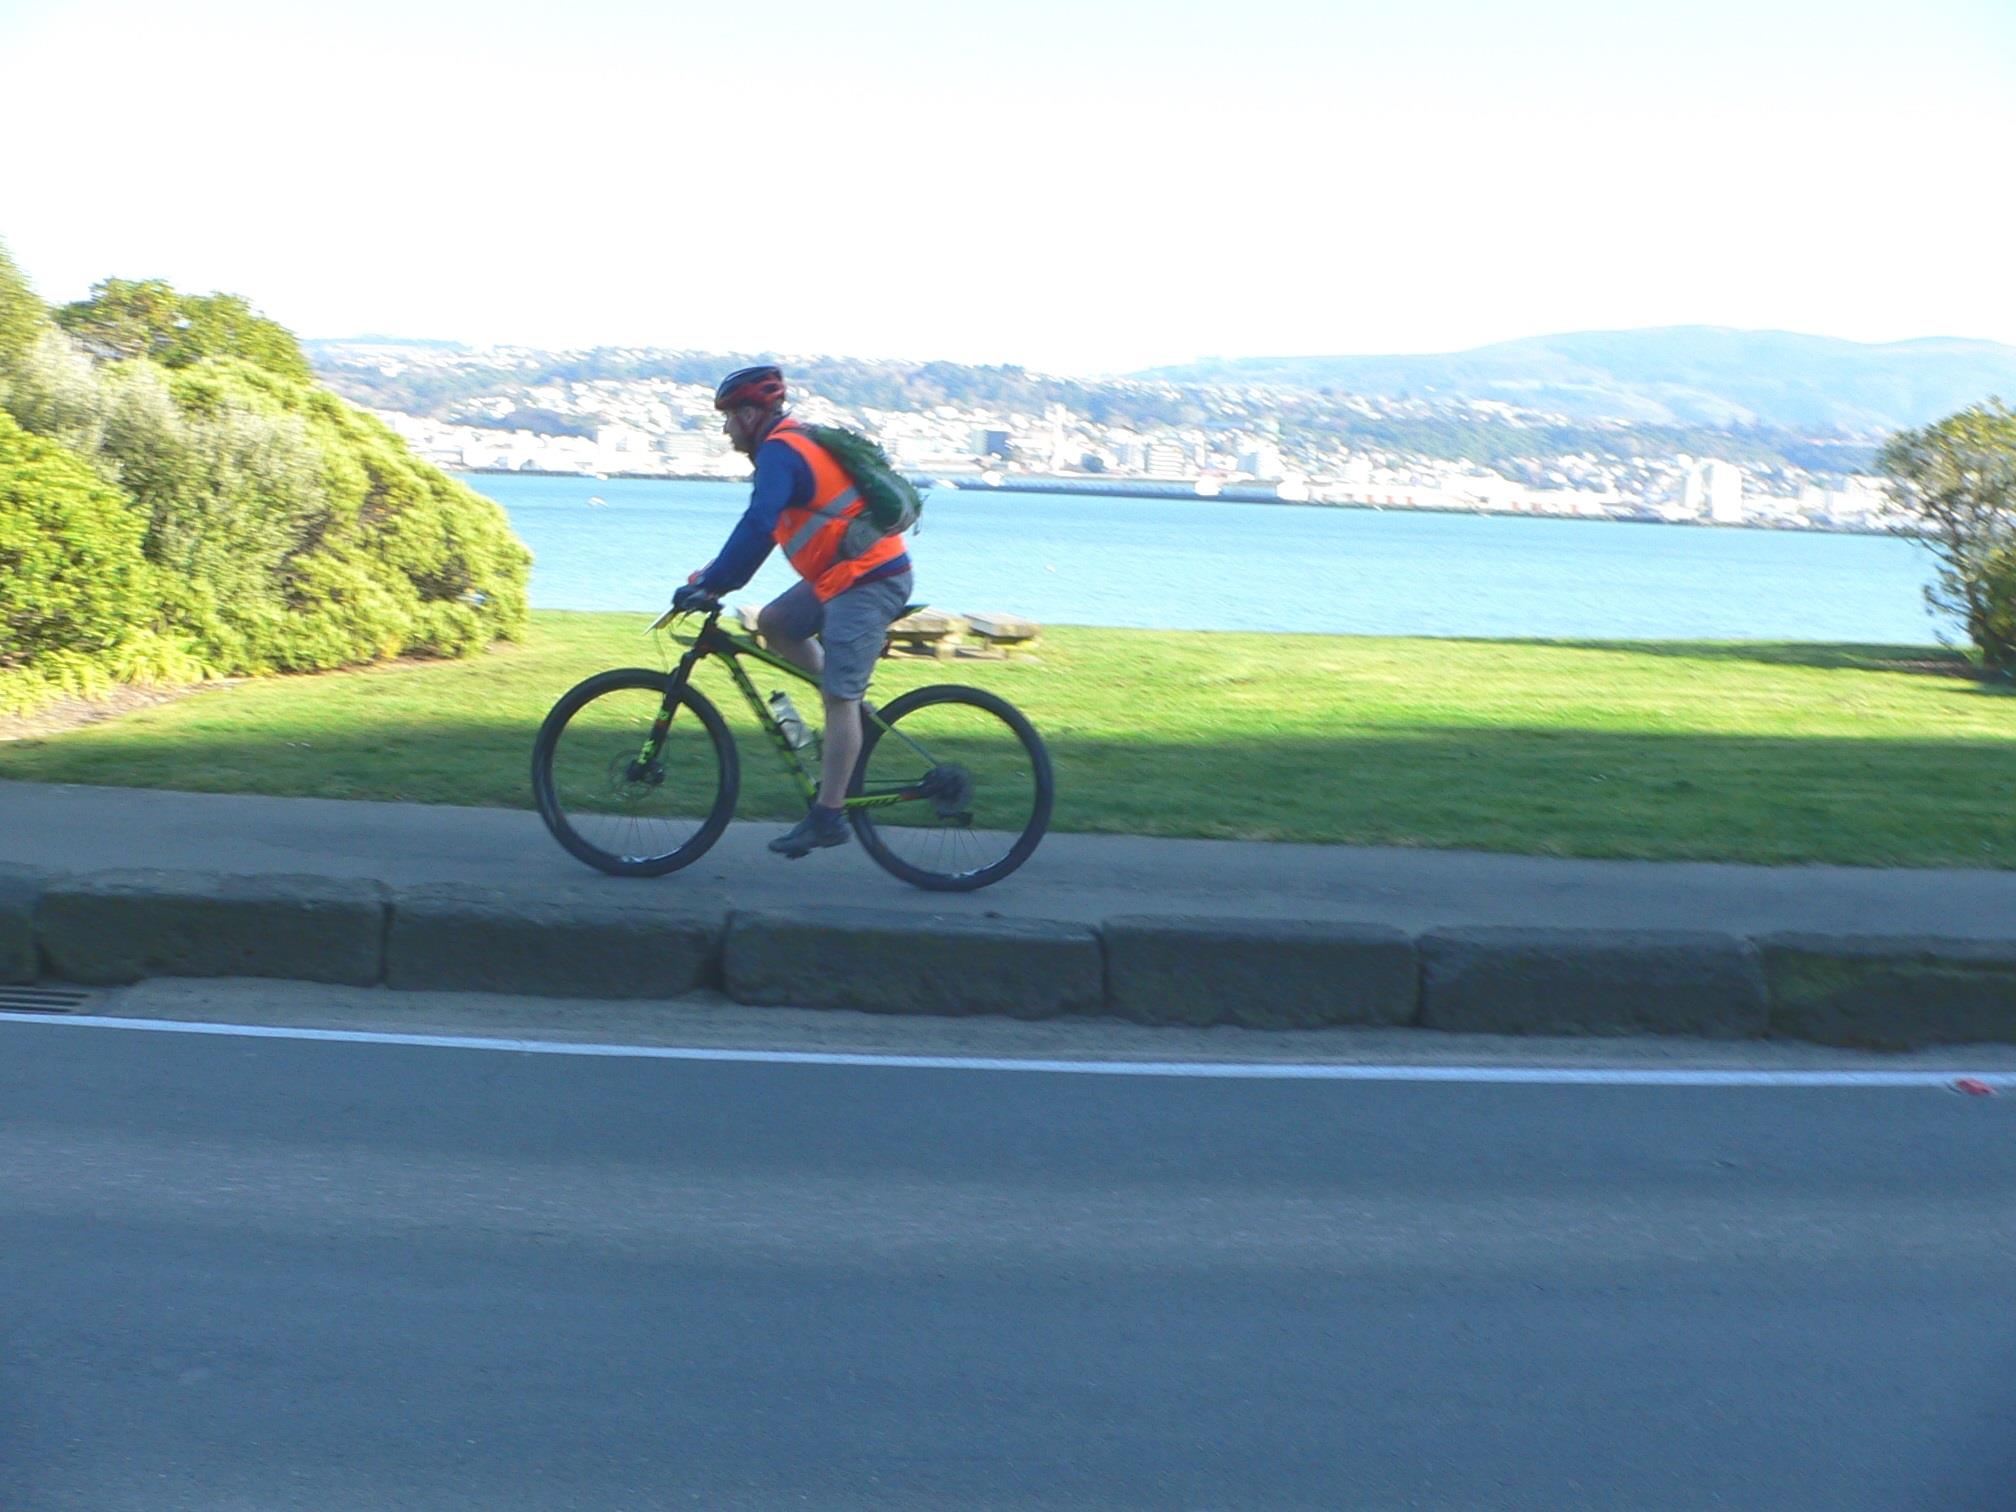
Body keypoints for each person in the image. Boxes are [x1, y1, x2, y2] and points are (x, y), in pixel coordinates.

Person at [671, 365, 914, 858]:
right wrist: (712, 578)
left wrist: (715, 583)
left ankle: (828, 817)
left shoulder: (781, 451)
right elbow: (761, 531)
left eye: (728, 418)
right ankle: (855, 718)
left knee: (838, 698)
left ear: (749, 414)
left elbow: (759, 524)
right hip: (843, 577)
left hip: (868, 579)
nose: (725, 430)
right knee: (776, 623)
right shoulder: (787, 446)